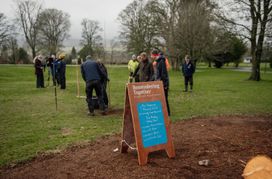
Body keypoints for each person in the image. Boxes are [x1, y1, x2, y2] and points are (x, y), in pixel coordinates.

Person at [151, 49, 170, 116]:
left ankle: (167, 113)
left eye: (151, 55)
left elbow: (163, 73)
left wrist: (164, 84)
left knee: (164, 98)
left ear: (154, 55)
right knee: (160, 98)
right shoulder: (157, 61)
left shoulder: (161, 61)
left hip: (163, 83)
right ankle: (162, 112)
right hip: (158, 83)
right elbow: (156, 73)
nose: (151, 56)